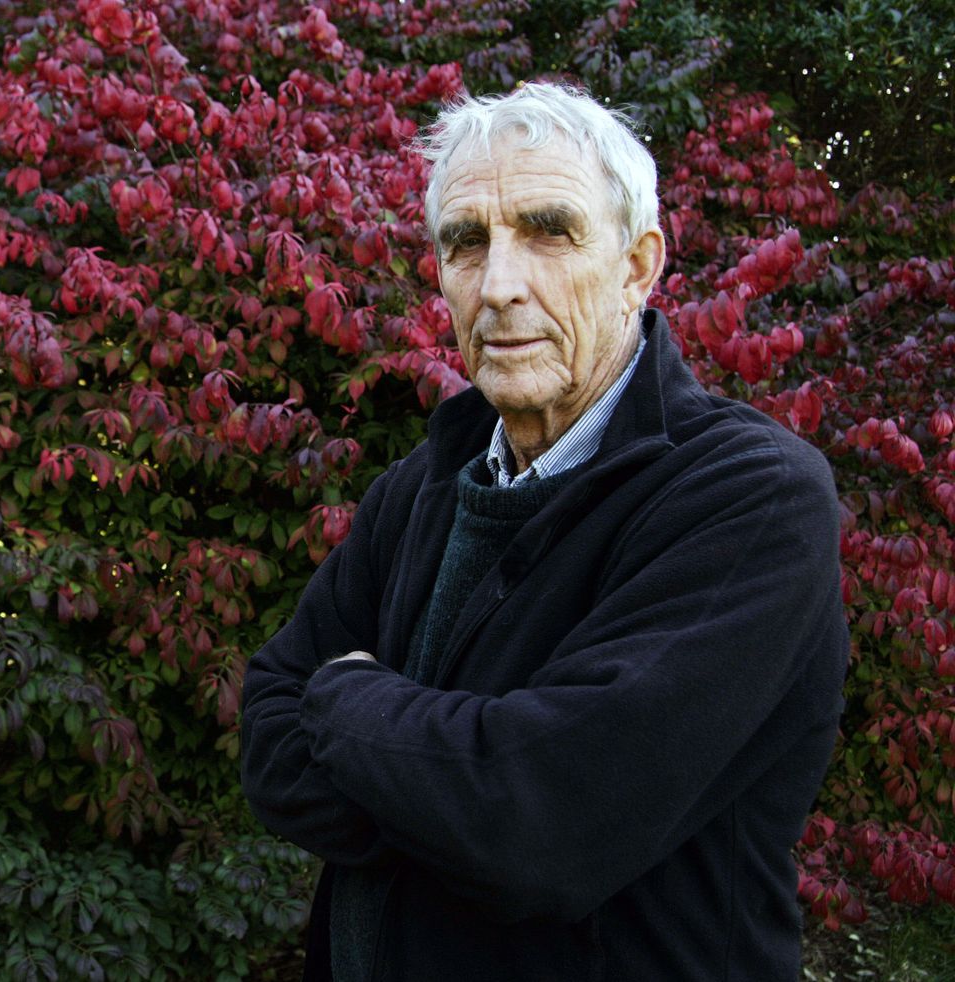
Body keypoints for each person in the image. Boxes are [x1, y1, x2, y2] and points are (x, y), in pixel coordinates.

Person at [240, 81, 848, 982]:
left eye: (549, 231)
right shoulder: (424, 486)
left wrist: (343, 699)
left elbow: (540, 825)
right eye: (466, 242)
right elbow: (269, 741)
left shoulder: (751, 498)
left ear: (639, 266)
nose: (498, 286)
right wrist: (451, 788)